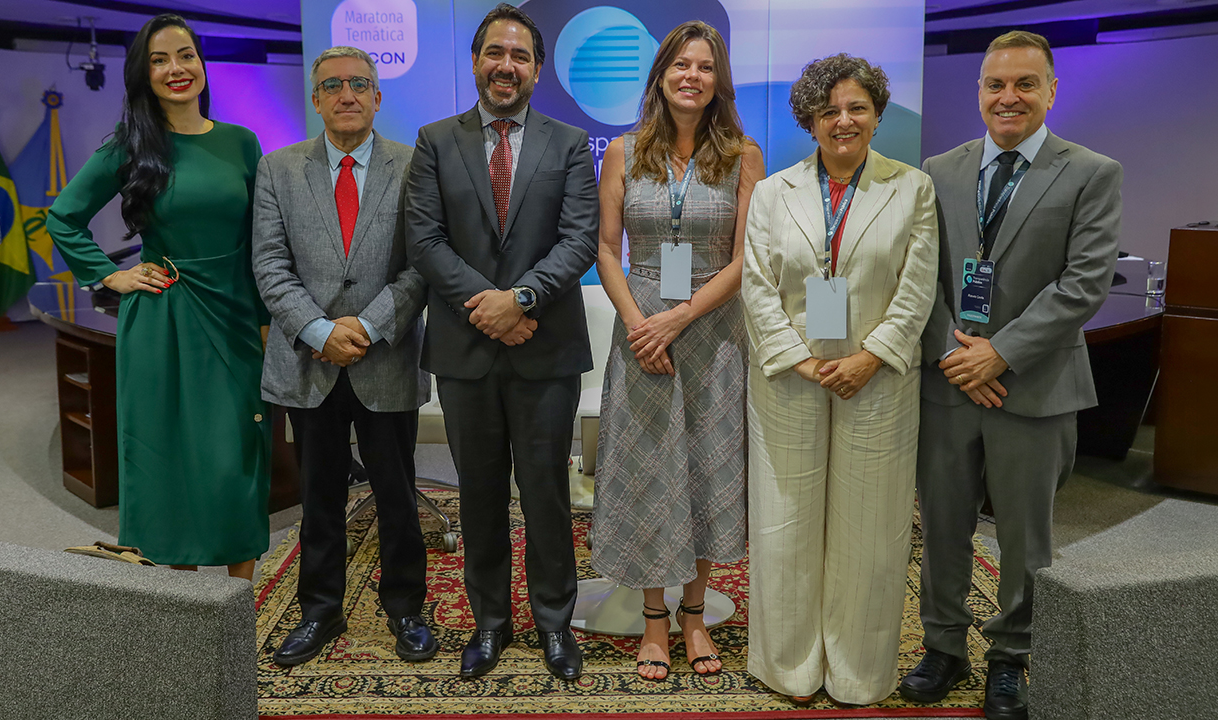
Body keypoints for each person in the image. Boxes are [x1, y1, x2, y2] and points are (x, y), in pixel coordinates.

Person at [900, 31, 1121, 720]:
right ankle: (942, 646)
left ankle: (1010, 658)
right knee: (941, 524)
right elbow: (921, 276)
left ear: (1052, 91)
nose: (1009, 97)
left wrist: (1000, 353)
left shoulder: (1091, 172)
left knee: (1027, 536)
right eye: (996, 84)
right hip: (948, 382)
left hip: (1034, 386)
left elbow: (1084, 285)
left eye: (1026, 84)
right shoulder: (939, 169)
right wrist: (952, 350)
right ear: (979, 93)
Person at [401, 3, 598, 681]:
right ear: (477, 61)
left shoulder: (570, 145)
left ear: (537, 70)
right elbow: (423, 239)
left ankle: (553, 623)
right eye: (494, 53)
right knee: (479, 494)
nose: (505, 66)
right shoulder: (434, 140)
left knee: (546, 492)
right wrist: (486, 306)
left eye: (519, 56)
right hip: (465, 347)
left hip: (545, 346)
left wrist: (519, 299)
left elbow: (579, 241)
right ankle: (489, 623)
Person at [741, 54, 938, 705]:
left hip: (875, 381)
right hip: (789, 380)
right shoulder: (773, 192)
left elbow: (916, 290)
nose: (843, 120)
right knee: (784, 526)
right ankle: (789, 664)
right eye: (829, 110)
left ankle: (857, 670)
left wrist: (871, 355)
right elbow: (757, 288)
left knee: (871, 532)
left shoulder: (913, 189)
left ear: (877, 114)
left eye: (856, 107)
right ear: (810, 120)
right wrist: (800, 359)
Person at [47, 14, 270, 580]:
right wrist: (107, 275)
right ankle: (184, 611)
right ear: (143, 75)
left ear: (201, 64)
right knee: (167, 459)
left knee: (234, 456)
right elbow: (63, 218)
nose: (177, 68)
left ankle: (236, 605)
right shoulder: (130, 145)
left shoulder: (241, 143)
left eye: (186, 55)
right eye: (160, 59)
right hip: (163, 317)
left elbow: (259, 243)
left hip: (234, 316)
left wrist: (268, 321)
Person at [589, 21, 763, 681]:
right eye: (680, 65)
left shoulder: (744, 154)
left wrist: (681, 317)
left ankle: (697, 617)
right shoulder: (625, 153)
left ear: (719, 81)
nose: (692, 76)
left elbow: (746, 257)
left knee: (708, 471)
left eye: (705, 67)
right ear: (661, 75)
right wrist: (641, 323)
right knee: (651, 472)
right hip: (643, 337)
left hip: (714, 334)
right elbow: (608, 249)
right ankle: (655, 621)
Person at [252, 46, 432, 667]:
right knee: (319, 495)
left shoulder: (413, 167)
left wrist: (369, 324)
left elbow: (421, 267)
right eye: (333, 86)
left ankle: (406, 607)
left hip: (385, 358)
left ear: (378, 97)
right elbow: (269, 265)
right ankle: (320, 610)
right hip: (309, 362)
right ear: (316, 98)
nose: (347, 94)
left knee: (397, 494)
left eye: (360, 84)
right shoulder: (278, 169)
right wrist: (318, 329)